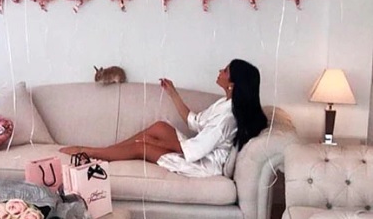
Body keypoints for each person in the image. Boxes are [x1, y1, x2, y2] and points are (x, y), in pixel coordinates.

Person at [60, 59, 268, 177]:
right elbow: (195, 122)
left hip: (204, 164)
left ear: (233, 83)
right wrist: (173, 93)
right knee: (159, 127)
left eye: (225, 70)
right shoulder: (225, 103)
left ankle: (91, 152)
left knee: (142, 146)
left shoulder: (227, 117)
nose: (220, 71)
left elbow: (197, 150)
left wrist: (160, 144)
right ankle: (108, 151)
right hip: (198, 150)